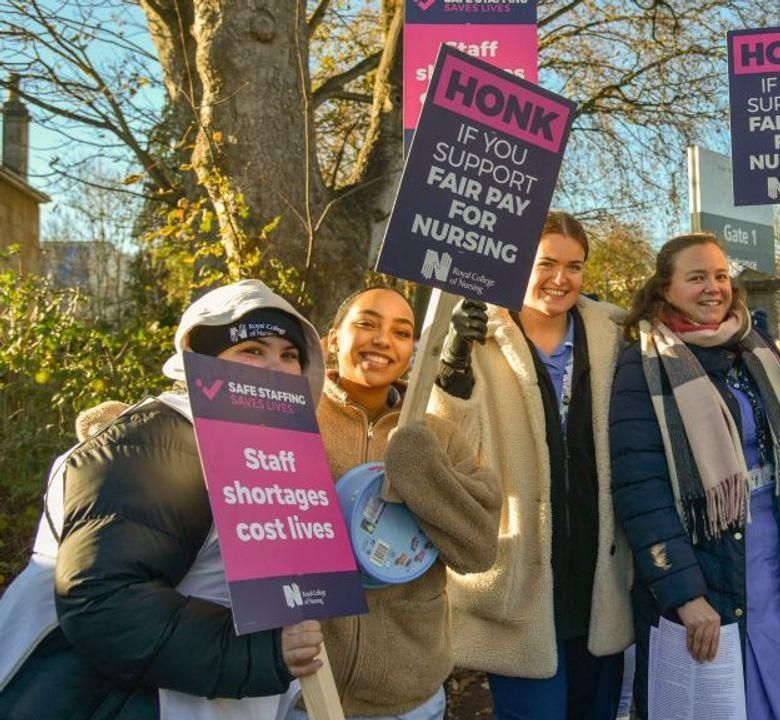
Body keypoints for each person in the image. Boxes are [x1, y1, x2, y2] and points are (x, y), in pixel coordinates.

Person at [0, 279, 328, 719]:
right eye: (251, 350)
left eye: (289, 355)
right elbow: (104, 601)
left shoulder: (274, 456)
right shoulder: (161, 441)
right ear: (200, 360)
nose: (275, 369)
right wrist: (261, 653)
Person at [610, 233, 780, 719]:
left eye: (720, 275)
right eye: (696, 277)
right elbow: (641, 491)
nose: (713, 287)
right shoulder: (643, 363)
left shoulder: (752, 346)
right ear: (665, 288)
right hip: (710, 568)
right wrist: (685, 594)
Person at [430, 211, 633, 719]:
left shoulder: (614, 333)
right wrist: (453, 360)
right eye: (545, 263)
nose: (560, 279)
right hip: (520, 584)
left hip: (598, 580)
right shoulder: (478, 335)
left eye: (574, 266)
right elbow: (449, 445)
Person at [297, 286, 502, 720]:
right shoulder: (294, 420)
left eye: (402, 332)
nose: (382, 340)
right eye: (366, 324)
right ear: (333, 338)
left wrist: (417, 463)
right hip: (304, 693)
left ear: (414, 349)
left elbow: (478, 549)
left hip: (409, 697)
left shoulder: (439, 434)